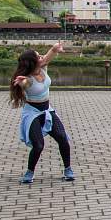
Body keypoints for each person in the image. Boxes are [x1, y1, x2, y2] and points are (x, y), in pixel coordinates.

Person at [10, 42, 74, 184]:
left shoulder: (43, 67)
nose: (42, 57)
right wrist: (22, 82)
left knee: (63, 138)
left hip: (47, 110)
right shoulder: (27, 78)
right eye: (38, 56)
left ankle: (68, 169)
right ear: (33, 63)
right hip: (33, 113)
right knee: (38, 145)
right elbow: (25, 84)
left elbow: (49, 54)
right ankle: (29, 172)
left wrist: (55, 48)